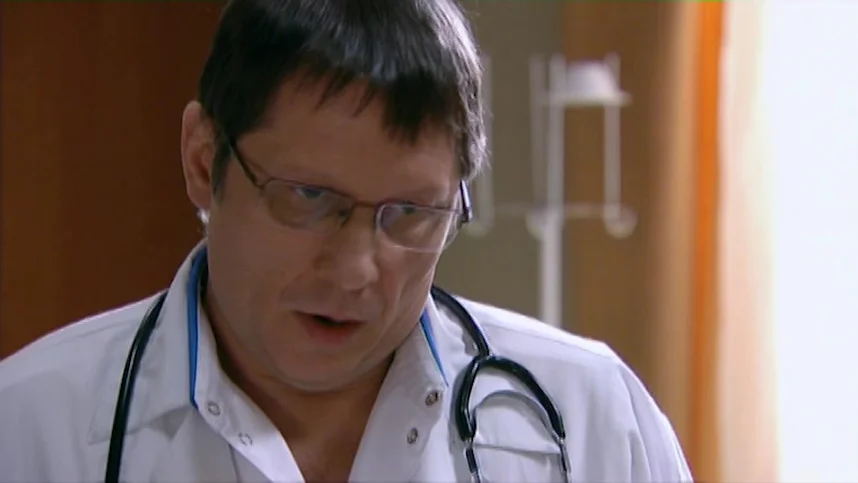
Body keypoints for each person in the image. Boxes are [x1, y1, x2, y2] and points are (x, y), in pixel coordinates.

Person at [0, 0, 693, 481]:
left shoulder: (590, 423)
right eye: (309, 198)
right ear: (203, 162)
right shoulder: (30, 427)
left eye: (411, 213)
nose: (357, 268)